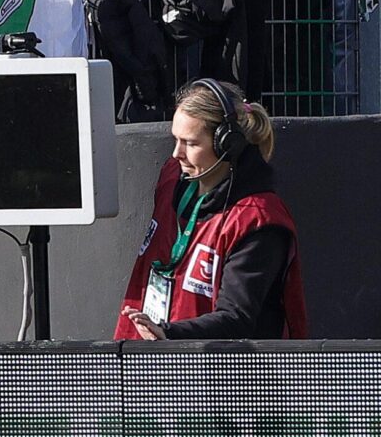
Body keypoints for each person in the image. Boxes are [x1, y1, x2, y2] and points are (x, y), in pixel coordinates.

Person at [115, 78, 308, 339]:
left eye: (191, 143)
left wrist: (169, 334)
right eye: (176, 139)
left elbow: (236, 318)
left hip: (222, 373)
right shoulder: (173, 178)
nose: (176, 154)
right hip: (153, 362)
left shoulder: (258, 221)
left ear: (227, 145)